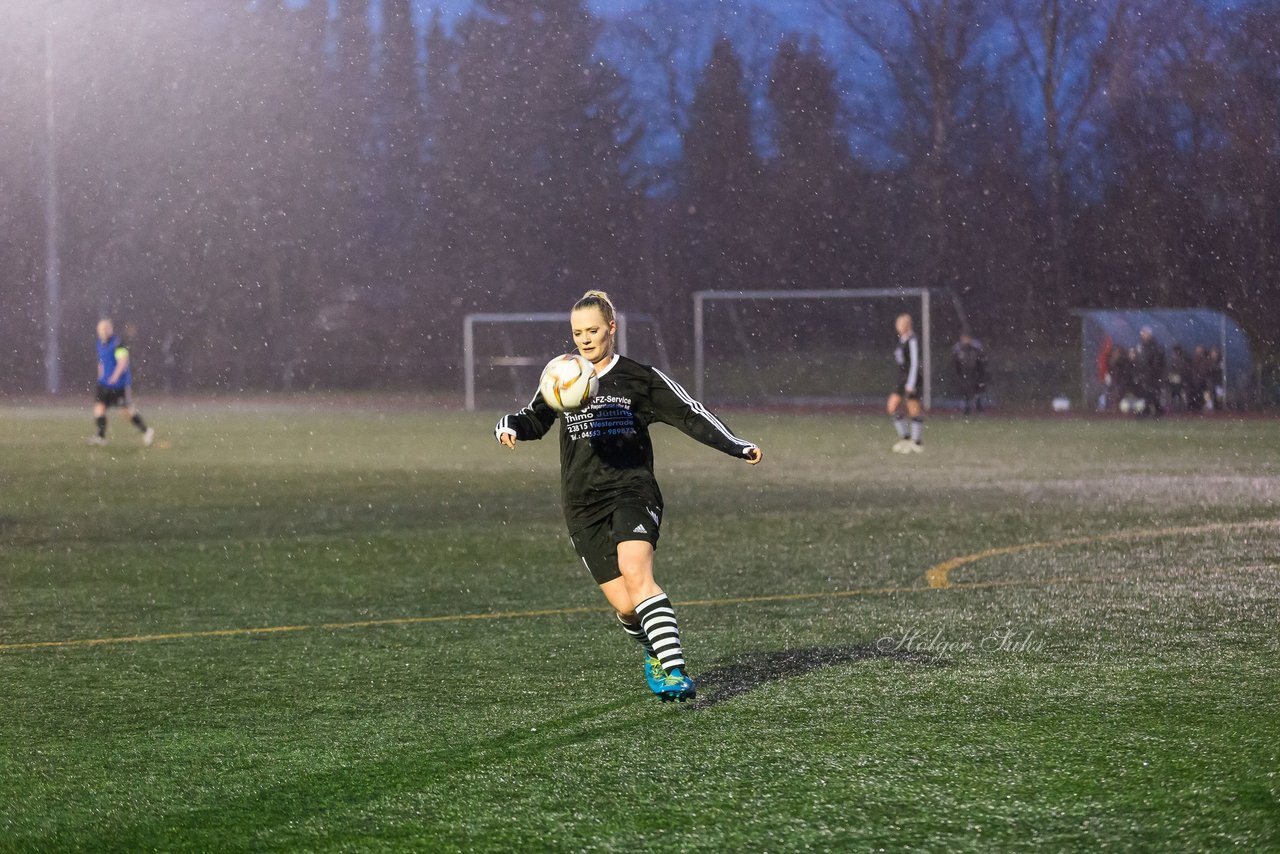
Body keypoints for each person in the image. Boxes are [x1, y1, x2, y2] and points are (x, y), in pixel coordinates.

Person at [494, 291, 763, 702]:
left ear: (612, 328)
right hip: (582, 503)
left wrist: (736, 445)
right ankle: (653, 653)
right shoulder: (562, 375)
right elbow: (535, 417)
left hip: (631, 488)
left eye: (593, 331)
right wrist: (510, 425)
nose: (584, 339)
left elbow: (690, 413)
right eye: (577, 332)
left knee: (637, 571)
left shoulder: (639, 378)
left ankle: (674, 671)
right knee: (625, 605)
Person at [90, 319, 155, 447]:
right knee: (99, 408)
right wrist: (100, 375)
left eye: (106, 328)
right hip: (104, 383)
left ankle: (146, 430)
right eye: (101, 329)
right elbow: (101, 361)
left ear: (110, 329)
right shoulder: (99, 343)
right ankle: (100, 437)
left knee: (125, 411)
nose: (103, 331)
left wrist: (115, 376)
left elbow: (123, 361)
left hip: (118, 384)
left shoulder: (118, 344)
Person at [888, 313, 924, 452]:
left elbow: (914, 363)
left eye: (902, 324)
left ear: (908, 325)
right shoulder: (902, 340)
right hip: (902, 378)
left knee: (913, 408)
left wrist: (911, 383)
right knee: (892, 406)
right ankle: (905, 438)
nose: (899, 327)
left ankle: (917, 442)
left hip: (911, 378)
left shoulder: (912, 340)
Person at [952, 333, 987, 415]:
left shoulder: (975, 349)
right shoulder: (959, 349)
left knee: (978, 389)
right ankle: (967, 408)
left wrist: (980, 373)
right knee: (966, 391)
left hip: (975, 373)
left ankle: (979, 406)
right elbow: (956, 362)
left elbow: (980, 361)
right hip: (965, 373)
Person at [1137, 327, 1166, 417]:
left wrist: (1154, 370)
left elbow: (1156, 361)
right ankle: (1152, 409)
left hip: (1153, 374)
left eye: (1146, 334)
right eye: (1143, 334)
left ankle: (1155, 410)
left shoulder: (1154, 346)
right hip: (1146, 374)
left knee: (1153, 392)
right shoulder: (1142, 346)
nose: (1144, 336)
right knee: (1148, 392)